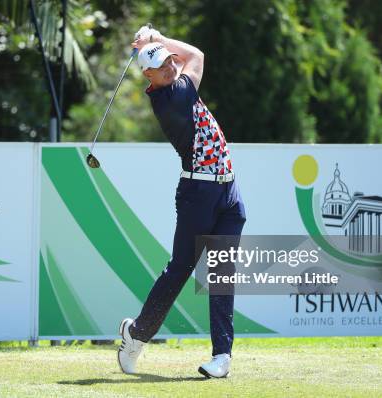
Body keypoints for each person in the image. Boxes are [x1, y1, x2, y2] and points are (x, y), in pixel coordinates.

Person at [117, 26, 246, 378]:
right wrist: (157, 39)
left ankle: (222, 357)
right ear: (148, 75)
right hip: (197, 196)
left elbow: (189, 58)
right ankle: (137, 335)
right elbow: (198, 56)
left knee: (222, 276)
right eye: (161, 65)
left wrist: (157, 43)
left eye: (170, 62)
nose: (171, 67)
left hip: (227, 193)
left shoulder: (176, 85)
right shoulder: (171, 98)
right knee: (179, 272)